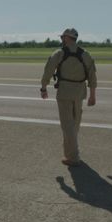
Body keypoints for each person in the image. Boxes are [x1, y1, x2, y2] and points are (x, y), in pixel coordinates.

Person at [40, 28, 97, 166]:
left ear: (66, 38)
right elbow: (92, 76)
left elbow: (48, 70)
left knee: (67, 125)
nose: (62, 40)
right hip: (80, 93)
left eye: (63, 37)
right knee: (75, 124)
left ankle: (73, 157)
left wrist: (43, 87)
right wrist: (92, 96)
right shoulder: (85, 54)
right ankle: (69, 153)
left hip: (65, 92)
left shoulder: (59, 53)